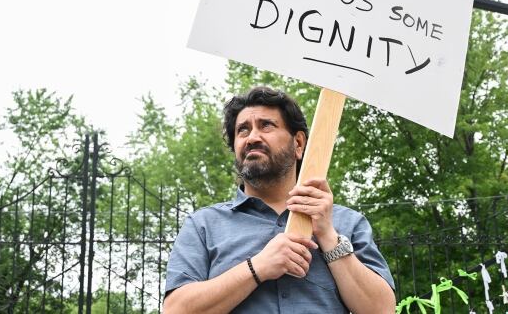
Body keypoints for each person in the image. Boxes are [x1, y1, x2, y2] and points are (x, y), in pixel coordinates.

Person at [163, 87, 396, 313]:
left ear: (298, 144)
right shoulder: (203, 225)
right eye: (242, 130)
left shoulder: (348, 222)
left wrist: (328, 236)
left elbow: (382, 309)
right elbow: (175, 310)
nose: (252, 137)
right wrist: (257, 268)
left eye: (266, 125)